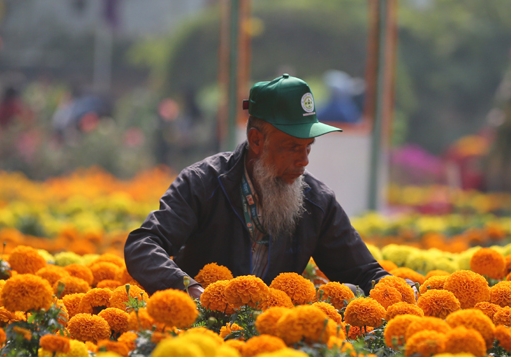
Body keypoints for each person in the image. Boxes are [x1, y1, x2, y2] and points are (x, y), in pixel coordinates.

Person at [125, 74, 390, 298]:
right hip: (202, 327)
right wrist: (190, 290)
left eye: (308, 147)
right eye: (292, 147)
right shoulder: (202, 183)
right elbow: (143, 243)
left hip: (275, 333)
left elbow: (365, 271)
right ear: (256, 141)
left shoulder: (317, 202)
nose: (304, 160)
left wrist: (405, 289)